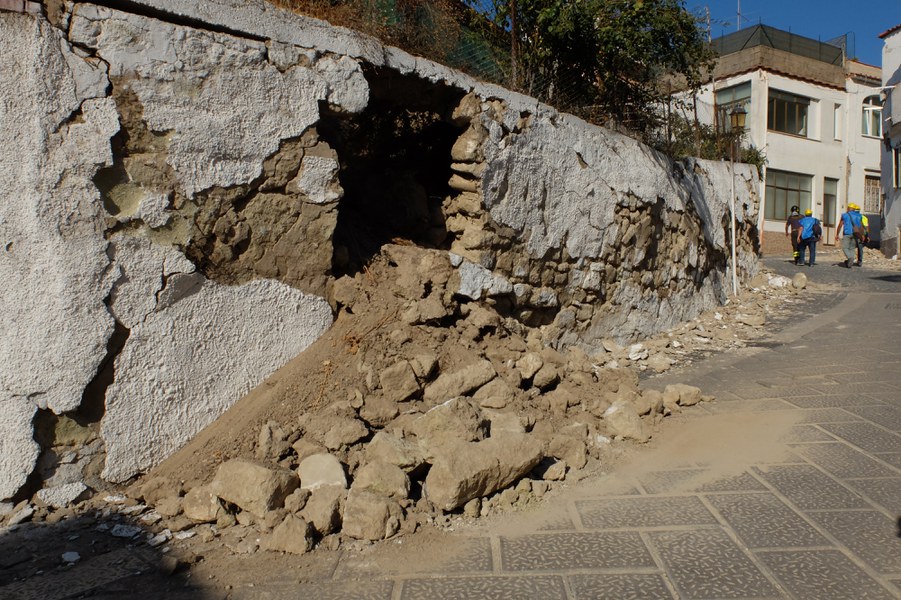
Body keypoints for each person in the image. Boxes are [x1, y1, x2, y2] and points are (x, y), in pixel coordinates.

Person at [835, 203, 864, 268]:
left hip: (847, 233)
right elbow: (861, 226)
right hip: (856, 234)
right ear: (854, 209)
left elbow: (840, 225)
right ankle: (850, 261)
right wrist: (862, 235)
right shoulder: (859, 216)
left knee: (845, 247)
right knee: (852, 248)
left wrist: (837, 234)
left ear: (848, 208)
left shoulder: (845, 215)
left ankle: (850, 258)